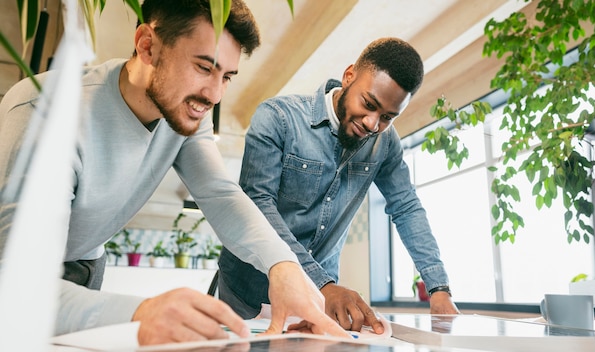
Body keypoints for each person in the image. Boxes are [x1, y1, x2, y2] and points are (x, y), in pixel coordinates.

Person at [0, 0, 349, 345]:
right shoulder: (44, 113)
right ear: (147, 45)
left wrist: (283, 267)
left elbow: (222, 195)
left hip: (85, 268)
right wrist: (144, 313)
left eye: (226, 76)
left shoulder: (184, 114)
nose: (214, 94)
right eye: (203, 67)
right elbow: (15, 288)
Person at [218, 37, 460, 333]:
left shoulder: (385, 144)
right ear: (348, 77)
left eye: (387, 117)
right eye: (369, 105)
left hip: (320, 297)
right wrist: (324, 283)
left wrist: (438, 288)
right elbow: (259, 204)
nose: (373, 124)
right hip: (249, 291)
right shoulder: (279, 118)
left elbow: (407, 207)